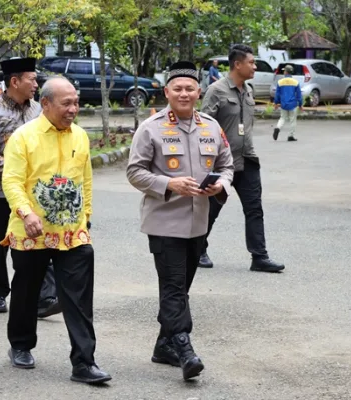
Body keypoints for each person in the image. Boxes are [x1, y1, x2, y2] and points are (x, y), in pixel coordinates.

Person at [127, 61, 234, 381]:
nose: (184, 94)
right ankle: (185, 349)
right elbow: (135, 171)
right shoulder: (151, 128)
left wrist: (221, 184)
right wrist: (168, 184)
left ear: (199, 92)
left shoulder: (212, 127)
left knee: (180, 287)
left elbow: (227, 165)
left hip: (199, 221)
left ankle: (163, 346)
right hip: (164, 221)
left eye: (190, 89)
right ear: (167, 93)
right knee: (174, 287)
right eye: (178, 89)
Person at [0, 77, 110, 384]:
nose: (73, 109)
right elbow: (12, 181)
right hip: (31, 231)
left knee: (78, 298)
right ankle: (20, 345)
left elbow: (85, 180)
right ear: (46, 104)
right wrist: (26, 212)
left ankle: (84, 362)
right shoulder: (23, 137)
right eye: (66, 104)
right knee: (27, 290)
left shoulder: (80, 137)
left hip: (73, 233)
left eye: (75, 103)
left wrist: (85, 216)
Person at [0, 57, 61, 317]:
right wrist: (18, 169)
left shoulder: (39, 110)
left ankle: (44, 296)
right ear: (15, 81)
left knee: (38, 240)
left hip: (35, 192)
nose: (36, 84)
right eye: (32, 79)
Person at [199, 44, 285, 272]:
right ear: (237, 64)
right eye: (251, 62)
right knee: (211, 209)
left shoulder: (248, 90)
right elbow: (204, 126)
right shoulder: (216, 90)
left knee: (254, 209)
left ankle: (259, 257)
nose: (255, 66)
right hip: (221, 163)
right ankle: (198, 249)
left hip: (247, 159)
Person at [272, 64, 303, 142]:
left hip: (283, 105)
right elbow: (299, 95)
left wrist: (276, 103)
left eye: (284, 71)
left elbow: (277, 94)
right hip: (293, 104)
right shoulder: (295, 82)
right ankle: (290, 136)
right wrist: (300, 105)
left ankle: (277, 128)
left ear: (286, 72)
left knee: (282, 118)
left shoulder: (280, 82)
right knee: (293, 120)